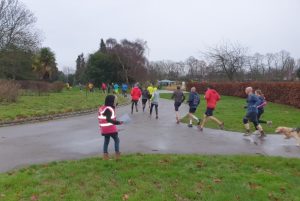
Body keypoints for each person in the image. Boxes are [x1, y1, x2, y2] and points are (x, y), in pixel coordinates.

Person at [98, 95, 123, 160]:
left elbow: (111, 108)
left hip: (104, 129)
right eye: (114, 101)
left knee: (106, 141)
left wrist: (116, 105)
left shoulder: (103, 108)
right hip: (110, 128)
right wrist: (118, 122)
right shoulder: (109, 109)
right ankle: (117, 155)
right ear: (111, 101)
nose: (115, 102)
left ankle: (105, 156)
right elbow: (108, 119)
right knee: (116, 140)